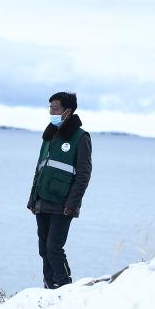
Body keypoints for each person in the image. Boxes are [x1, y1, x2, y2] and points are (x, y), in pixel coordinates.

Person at [27, 92, 92, 288]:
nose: (51, 112)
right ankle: (49, 285)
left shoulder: (81, 137)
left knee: (54, 248)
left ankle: (65, 287)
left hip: (63, 203)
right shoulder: (49, 135)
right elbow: (40, 168)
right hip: (42, 200)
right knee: (43, 249)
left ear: (67, 111)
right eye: (50, 108)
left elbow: (83, 174)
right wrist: (32, 198)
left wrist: (72, 204)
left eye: (55, 108)